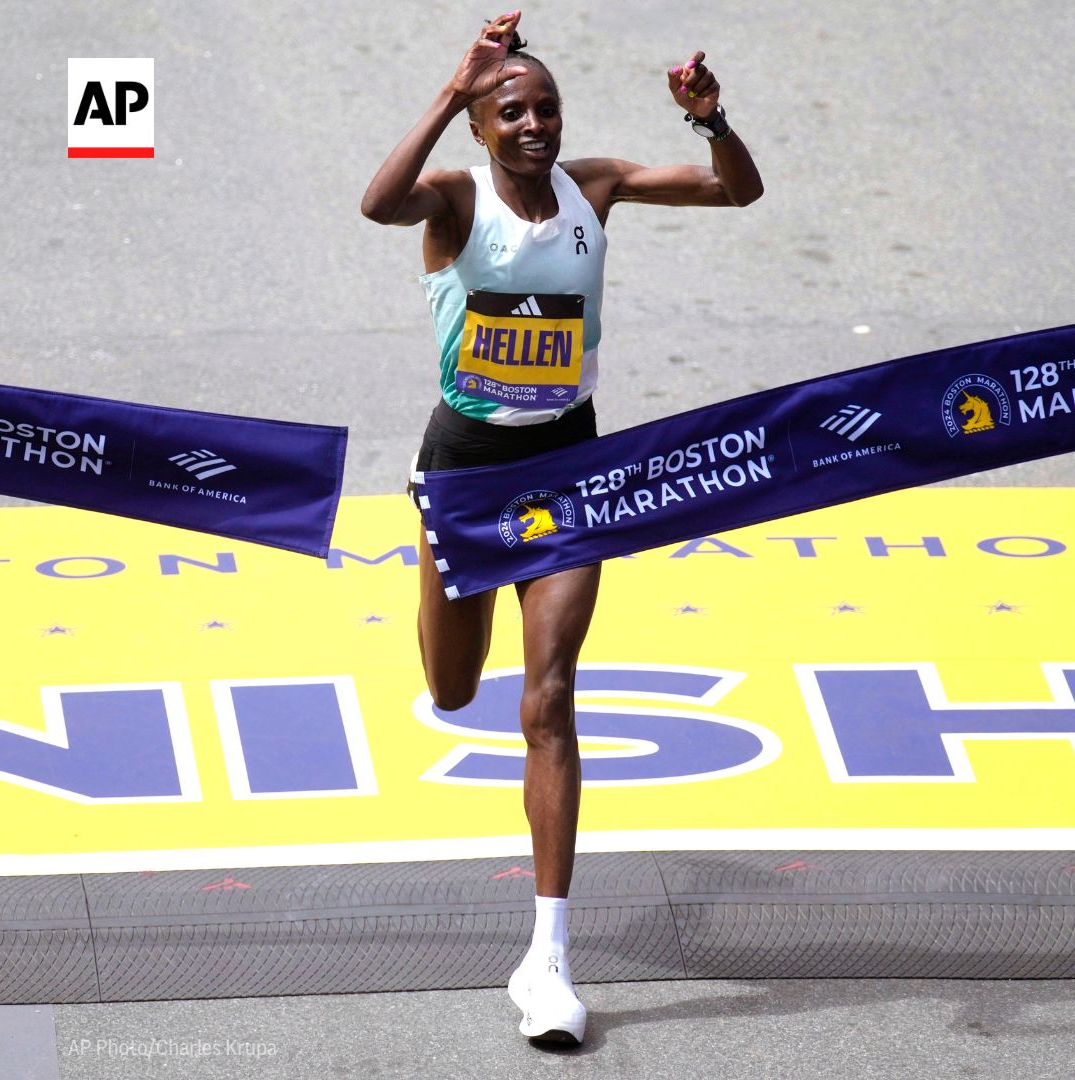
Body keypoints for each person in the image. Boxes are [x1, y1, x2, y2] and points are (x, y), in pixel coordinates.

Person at [361, 10, 762, 1046]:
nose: (535, 124)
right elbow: (376, 204)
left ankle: (547, 958)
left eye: (546, 108)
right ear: (483, 128)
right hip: (462, 472)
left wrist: (714, 123)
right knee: (453, 688)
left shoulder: (595, 189)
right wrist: (453, 87)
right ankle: (435, 569)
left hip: (569, 470)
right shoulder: (454, 202)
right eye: (513, 111)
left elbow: (737, 191)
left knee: (549, 698)